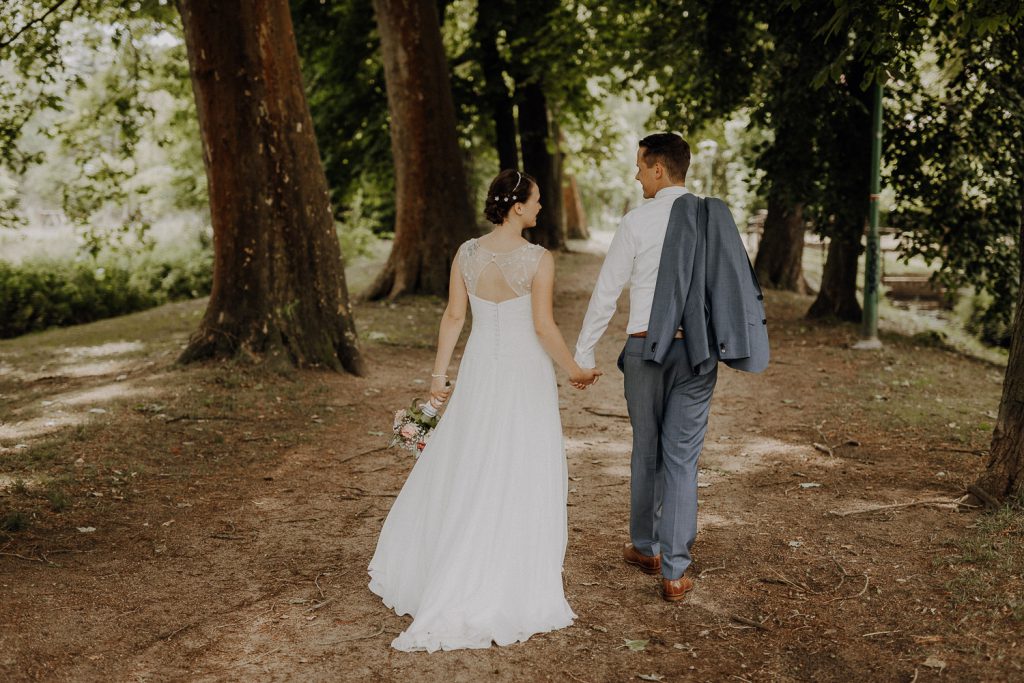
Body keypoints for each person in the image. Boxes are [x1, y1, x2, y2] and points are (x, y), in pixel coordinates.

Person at [368, 169, 601, 652]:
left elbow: (454, 316)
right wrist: (575, 369)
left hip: (478, 368)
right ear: (517, 207)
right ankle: (504, 568)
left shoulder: (467, 253)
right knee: (519, 460)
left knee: (472, 457)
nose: (540, 208)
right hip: (522, 373)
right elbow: (542, 326)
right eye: (535, 201)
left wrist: (438, 380)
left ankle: (454, 556)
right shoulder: (539, 259)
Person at [573, 133, 769, 602]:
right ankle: (676, 572)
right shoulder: (713, 220)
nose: (637, 175)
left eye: (640, 166)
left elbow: (606, 292)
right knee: (681, 458)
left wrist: (584, 353)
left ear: (659, 168)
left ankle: (646, 548)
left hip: (645, 352)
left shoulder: (636, 221)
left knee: (647, 450)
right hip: (698, 353)